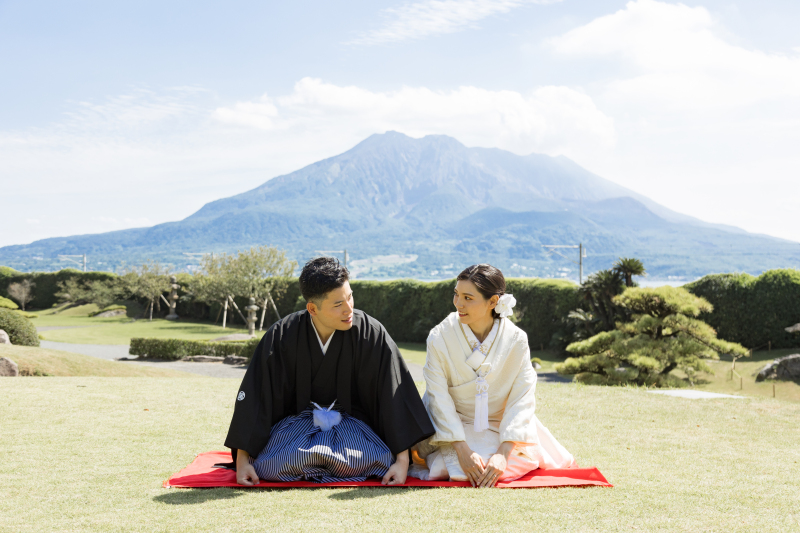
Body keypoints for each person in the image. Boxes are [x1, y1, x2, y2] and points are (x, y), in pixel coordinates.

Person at [225, 257, 434, 485]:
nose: (349, 309)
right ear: (312, 308)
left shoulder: (371, 334)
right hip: (296, 430)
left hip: (354, 430)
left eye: (350, 297)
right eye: (338, 304)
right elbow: (256, 398)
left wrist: (402, 461)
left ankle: (317, 465)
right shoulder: (282, 336)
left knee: (379, 460)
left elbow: (393, 396)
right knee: (272, 464)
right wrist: (243, 462)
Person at [412, 264, 575, 487]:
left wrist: (504, 452)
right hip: (452, 426)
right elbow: (437, 396)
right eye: (456, 294)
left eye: (468, 297)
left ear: (493, 302)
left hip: (501, 424)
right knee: (451, 466)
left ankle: (498, 456)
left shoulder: (516, 339)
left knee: (500, 463)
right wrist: (461, 449)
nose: (458, 304)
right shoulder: (440, 336)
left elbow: (522, 397)